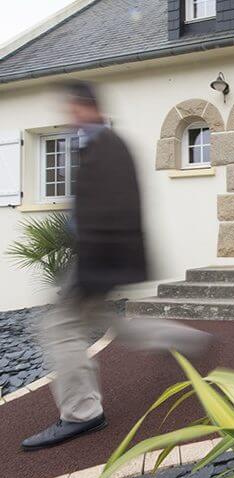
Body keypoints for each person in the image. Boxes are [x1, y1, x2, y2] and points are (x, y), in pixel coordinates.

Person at [22, 81, 212, 451]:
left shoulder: (106, 147)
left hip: (100, 259)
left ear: (85, 107)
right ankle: (184, 339)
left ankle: (81, 413)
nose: (66, 116)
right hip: (101, 258)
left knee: (60, 327)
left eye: (70, 108)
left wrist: (89, 271)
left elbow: (114, 212)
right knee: (106, 323)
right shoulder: (97, 145)